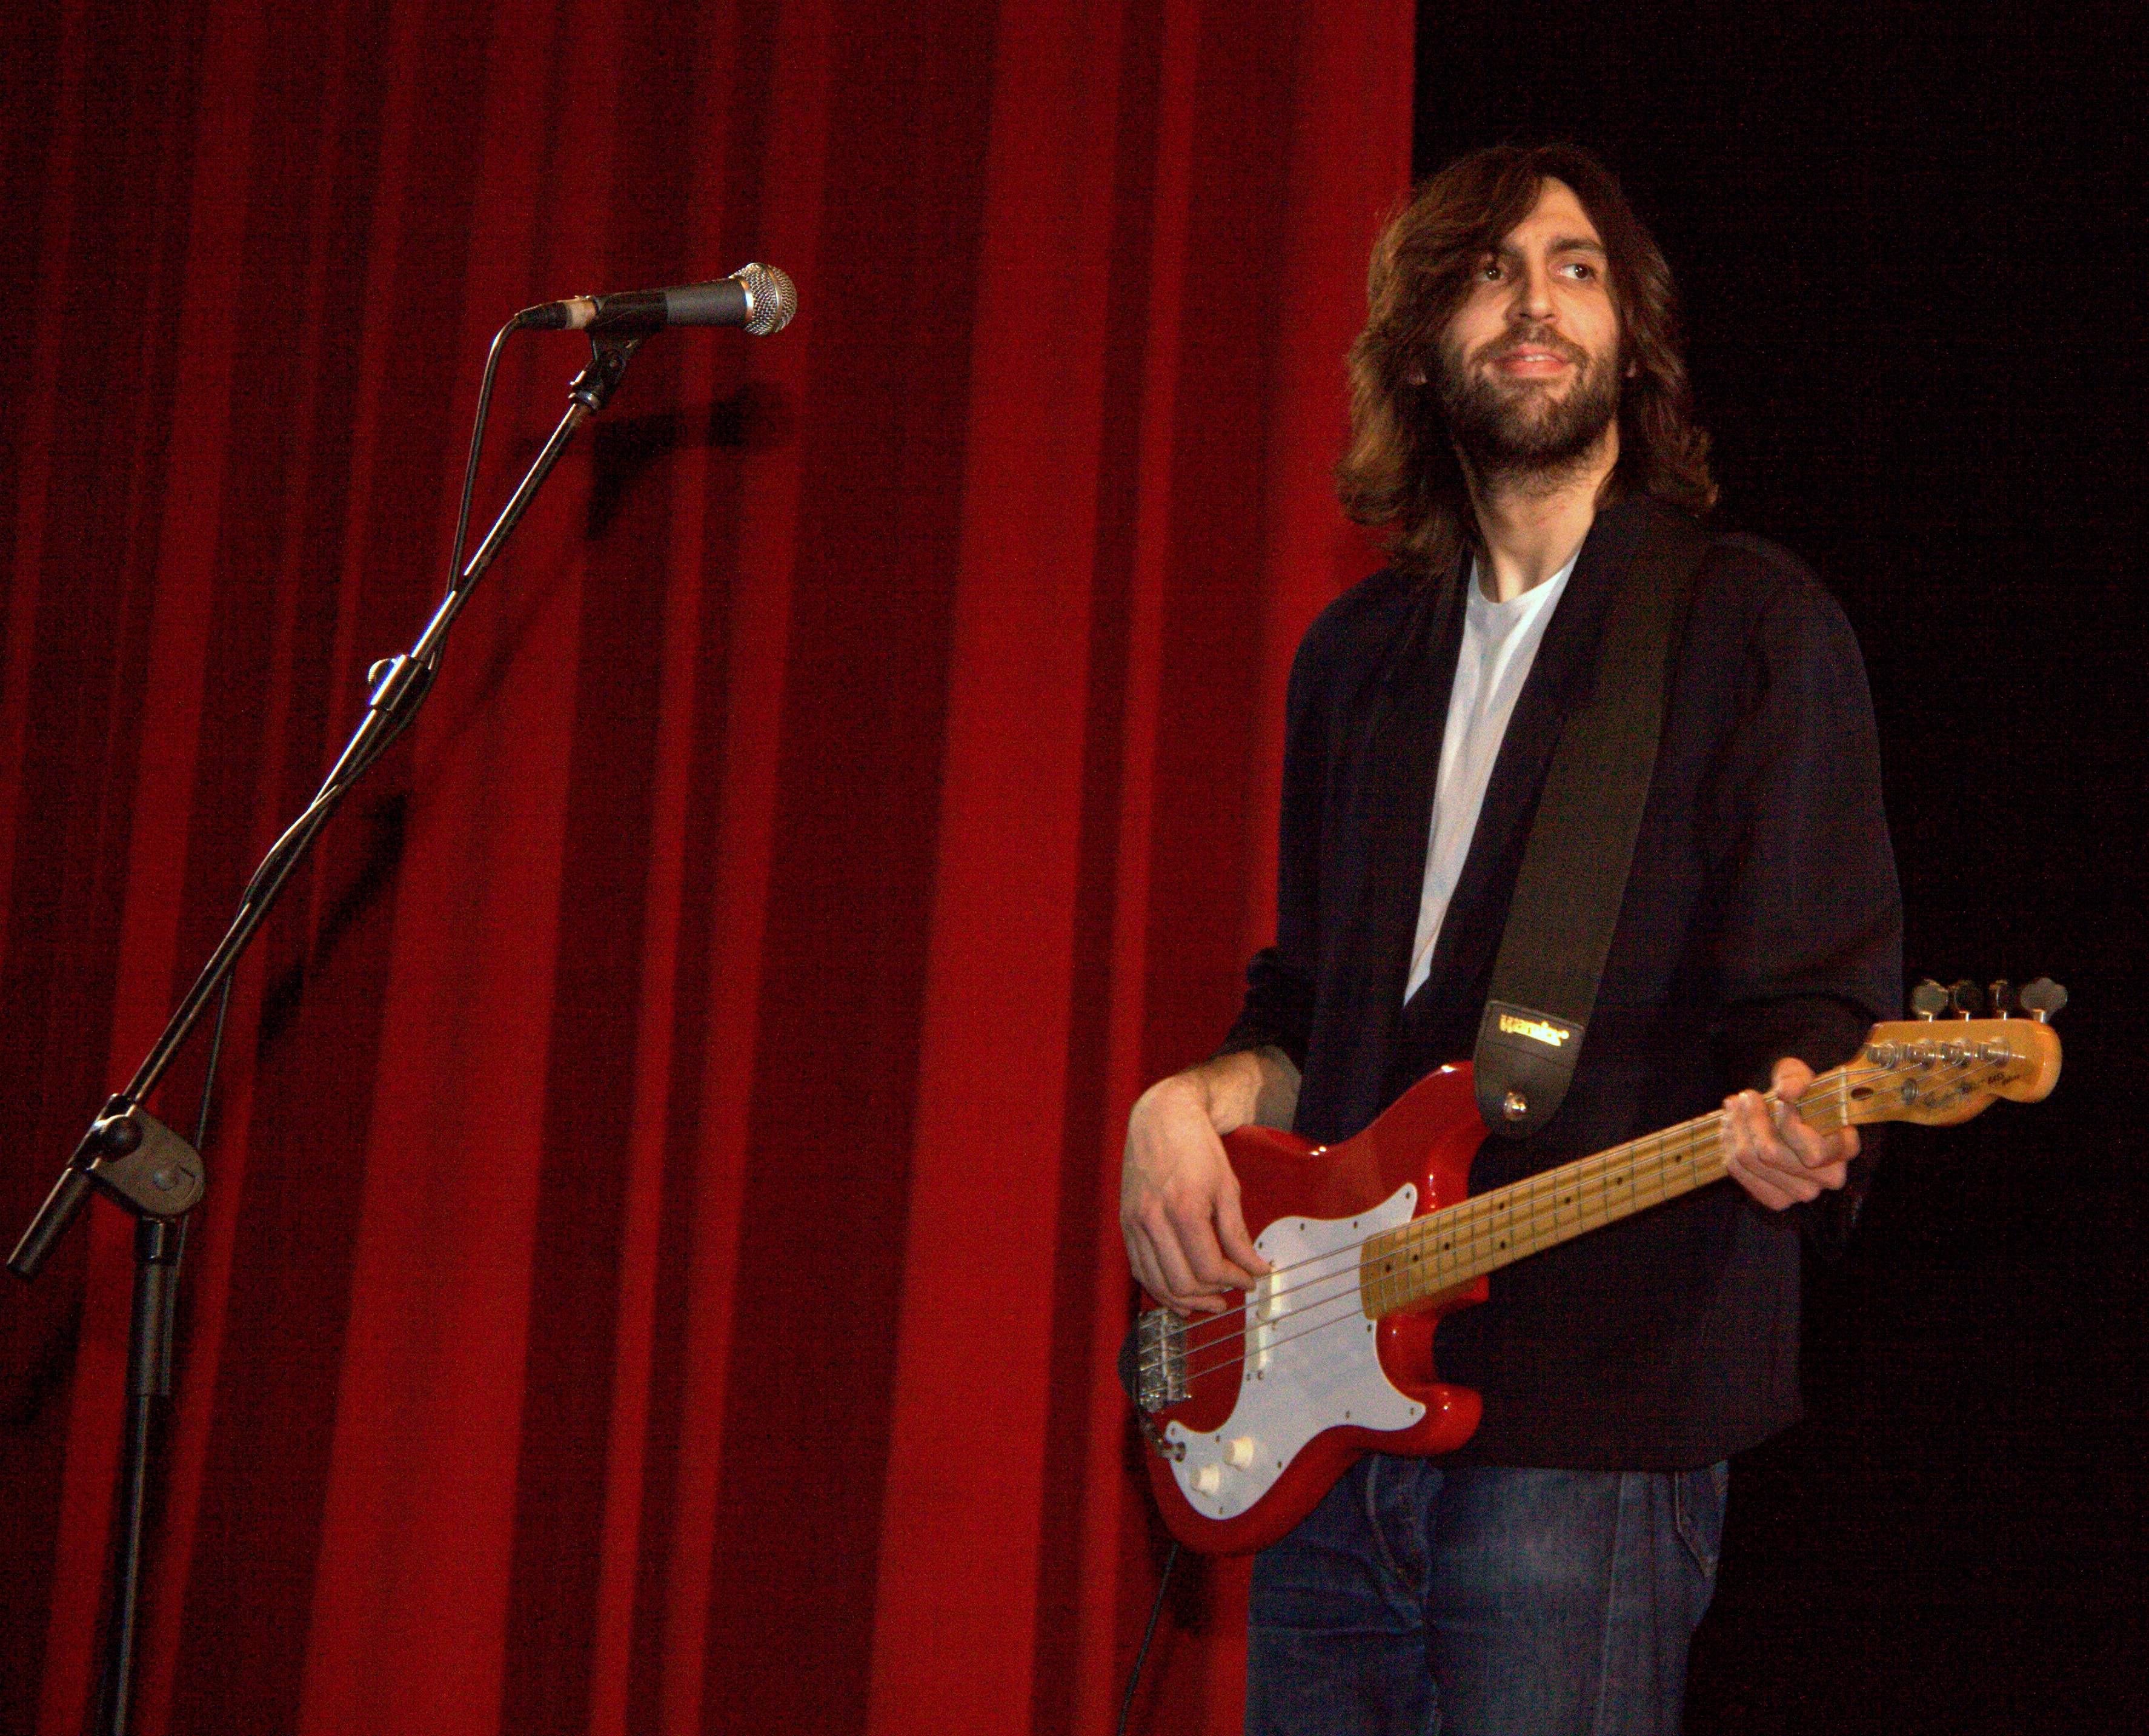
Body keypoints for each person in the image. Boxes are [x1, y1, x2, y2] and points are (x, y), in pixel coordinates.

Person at [1119, 144, 1901, 1736]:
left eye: (1574, 269)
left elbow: (1812, 995)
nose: (1533, 302)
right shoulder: (1355, 659)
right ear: (1421, 347)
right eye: (1487, 272)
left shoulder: (1751, 627)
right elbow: (1307, 1007)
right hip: (1325, 1416)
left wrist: (1800, 1109)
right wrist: (1183, 1105)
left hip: (1591, 1417)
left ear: (1632, 344)